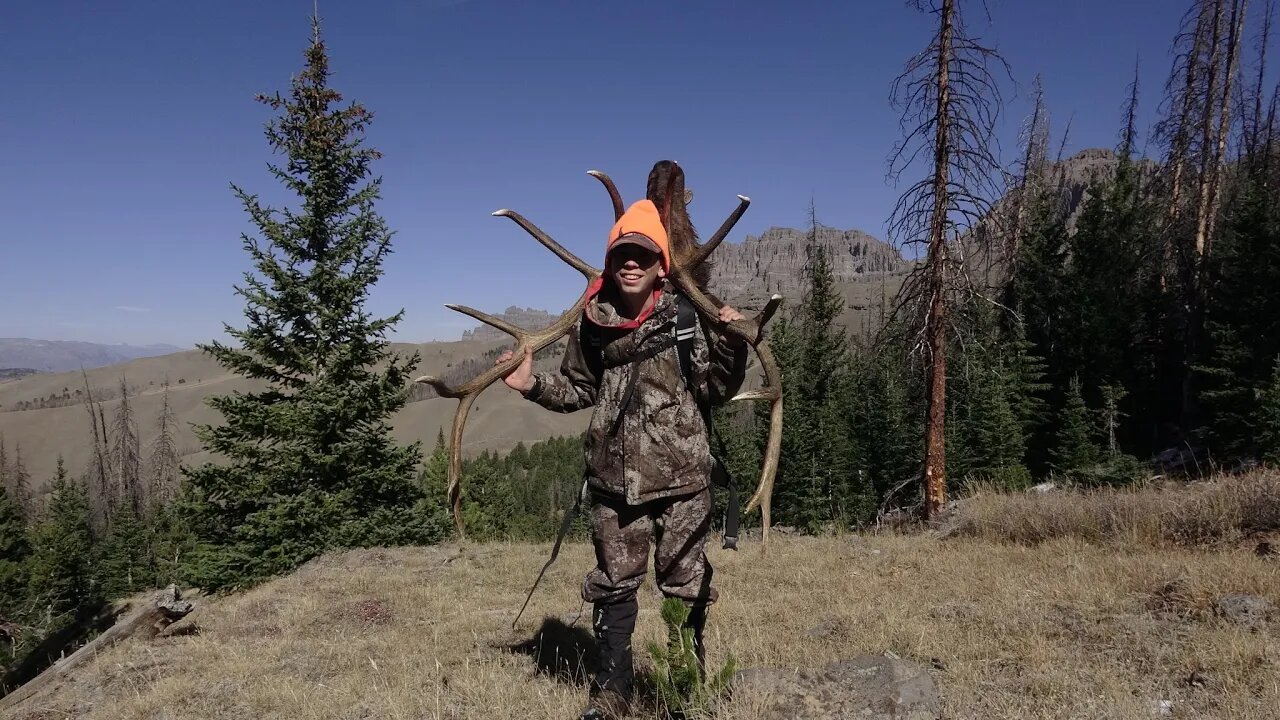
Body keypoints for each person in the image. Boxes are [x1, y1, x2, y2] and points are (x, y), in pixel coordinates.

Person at [495, 198, 749, 720]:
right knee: (613, 586)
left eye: (642, 255)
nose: (630, 264)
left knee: (684, 583)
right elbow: (578, 390)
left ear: (660, 265)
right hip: (613, 484)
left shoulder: (685, 317)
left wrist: (731, 347)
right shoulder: (590, 323)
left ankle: (684, 686)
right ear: (610, 263)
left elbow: (716, 388)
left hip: (682, 483)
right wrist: (531, 384)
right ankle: (613, 691)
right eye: (621, 255)